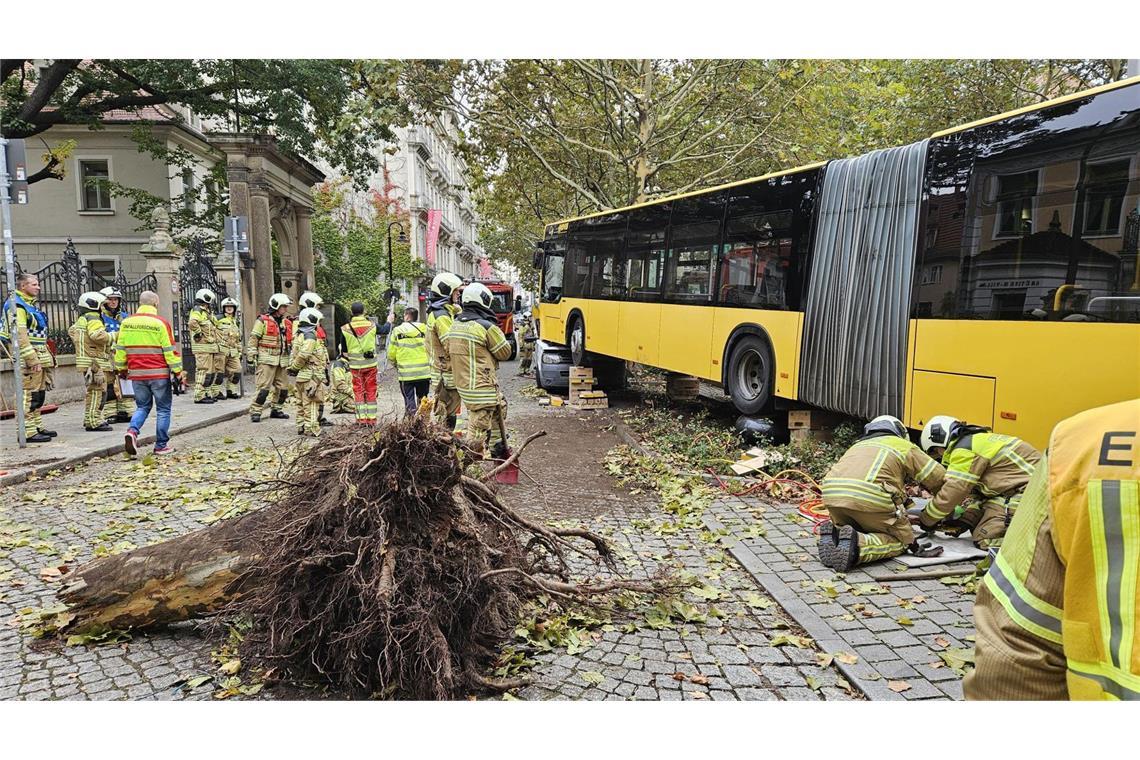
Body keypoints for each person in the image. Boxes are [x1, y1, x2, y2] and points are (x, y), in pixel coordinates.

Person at [965, 398, 1139, 700]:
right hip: (1019, 492)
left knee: (984, 534)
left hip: (1021, 497)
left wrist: (927, 520)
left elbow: (1017, 646)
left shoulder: (1084, 442)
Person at [817, 415, 947, 571]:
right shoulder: (903, 445)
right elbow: (939, 478)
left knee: (857, 527)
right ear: (899, 432)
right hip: (869, 498)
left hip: (832, 496)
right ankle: (858, 545)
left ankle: (837, 536)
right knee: (900, 541)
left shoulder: (857, 445)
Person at [917, 415, 1042, 549]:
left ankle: (1037, 542)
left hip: (1029, 492)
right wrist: (967, 520)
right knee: (980, 525)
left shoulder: (964, 449)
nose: (940, 455)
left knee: (984, 538)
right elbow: (980, 494)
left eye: (936, 450)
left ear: (940, 440)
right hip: (1029, 489)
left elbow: (953, 492)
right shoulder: (977, 441)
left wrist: (927, 519)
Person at [114, 290, 184, 456]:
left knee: (143, 406)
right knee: (163, 409)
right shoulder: (160, 323)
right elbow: (169, 351)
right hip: (158, 374)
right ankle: (161, 445)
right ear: (156, 304)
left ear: (140, 303)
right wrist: (178, 371)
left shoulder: (126, 323)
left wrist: (121, 369)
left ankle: (132, 431)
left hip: (137, 374)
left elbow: (120, 349)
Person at [447, 282, 512, 457]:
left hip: (465, 386)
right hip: (482, 388)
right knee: (477, 430)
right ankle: (469, 464)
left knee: (501, 408)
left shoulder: (455, 324)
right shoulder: (485, 326)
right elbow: (505, 352)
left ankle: (498, 448)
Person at [0, 273, 56, 442]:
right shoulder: (17, 305)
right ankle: (27, 432)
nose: (38, 287)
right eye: (34, 284)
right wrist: (32, 359)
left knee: (38, 394)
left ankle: (36, 426)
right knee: (28, 395)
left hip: (38, 355)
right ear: (22, 286)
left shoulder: (28, 304)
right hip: (28, 358)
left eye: (37, 284)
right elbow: (20, 336)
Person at [68, 291, 113, 432]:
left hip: (89, 361)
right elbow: (97, 335)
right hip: (95, 362)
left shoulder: (83, 318)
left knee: (94, 391)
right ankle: (94, 421)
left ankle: (90, 418)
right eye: (103, 305)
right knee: (98, 392)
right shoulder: (93, 318)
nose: (104, 308)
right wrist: (114, 336)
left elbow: (72, 331)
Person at [246, 293, 294, 423]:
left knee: (283, 388)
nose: (285, 308)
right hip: (266, 359)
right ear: (276, 306)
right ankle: (255, 411)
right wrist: (251, 356)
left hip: (281, 360)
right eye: (283, 306)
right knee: (263, 389)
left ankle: (276, 410)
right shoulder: (262, 321)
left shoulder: (285, 322)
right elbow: (253, 339)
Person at [426, 272, 463, 430]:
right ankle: (447, 443)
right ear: (446, 292)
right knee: (447, 414)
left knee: (447, 413)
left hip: (442, 370)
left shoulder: (441, 313)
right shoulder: (442, 317)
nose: (458, 294)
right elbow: (451, 345)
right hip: (445, 373)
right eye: (456, 291)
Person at [287, 307, 329, 437]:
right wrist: (294, 367)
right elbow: (304, 355)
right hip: (311, 377)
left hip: (302, 377)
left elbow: (294, 354)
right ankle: (311, 429)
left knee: (300, 403)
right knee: (311, 404)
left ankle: (301, 426)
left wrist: (293, 369)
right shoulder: (310, 336)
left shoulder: (300, 335)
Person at [292, 291, 331, 427]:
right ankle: (312, 425)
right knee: (311, 399)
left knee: (310, 399)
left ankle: (310, 422)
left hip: (316, 367)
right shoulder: (303, 326)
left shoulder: (312, 325)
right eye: (317, 306)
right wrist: (294, 367)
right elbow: (301, 351)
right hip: (310, 370)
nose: (318, 308)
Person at [388, 306, 431, 416]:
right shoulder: (425, 328)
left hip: (406, 373)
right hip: (423, 372)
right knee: (423, 400)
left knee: (409, 399)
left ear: (407, 316)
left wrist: (393, 363)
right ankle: (423, 422)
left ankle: (412, 424)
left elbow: (391, 352)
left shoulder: (398, 330)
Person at [339, 301, 378, 425]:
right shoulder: (372, 326)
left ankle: (361, 419)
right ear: (364, 311)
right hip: (370, 365)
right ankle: (371, 419)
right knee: (371, 390)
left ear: (352, 312)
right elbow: (386, 329)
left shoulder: (345, 329)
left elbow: (344, 352)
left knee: (358, 391)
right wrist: (389, 320)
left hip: (355, 366)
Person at [98, 286, 132, 423]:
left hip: (123, 354)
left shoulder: (125, 317)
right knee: (109, 384)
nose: (113, 302)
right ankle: (110, 413)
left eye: (116, 300)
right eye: (110, 300)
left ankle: (125, 410)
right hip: (106, 356)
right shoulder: (99, 317)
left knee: (125, 381)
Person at [188, 288, 221, 404]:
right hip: (202, 348)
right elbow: (192, 322)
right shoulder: (197, 311)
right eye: (208, 302)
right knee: (202, 371)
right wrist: (198, 333)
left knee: (210, 372)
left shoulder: (206, 312)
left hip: (209, 347)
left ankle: (207, 393)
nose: (209, 304)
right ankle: (199, 395)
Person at [215, 297, 243, 399]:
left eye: (231, 307)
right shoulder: (217, 319)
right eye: (227, 307)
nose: (229, 308)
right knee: (219, 372)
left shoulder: (235, 321)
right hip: (221, 350)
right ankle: (216, 392)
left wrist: (240, 351)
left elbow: (238, 338)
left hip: (233, 351)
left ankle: (231, 390)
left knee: (237, 370)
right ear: (223, 308)